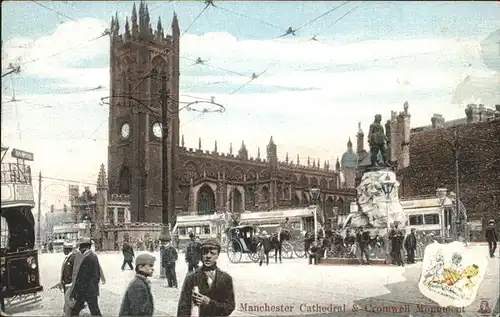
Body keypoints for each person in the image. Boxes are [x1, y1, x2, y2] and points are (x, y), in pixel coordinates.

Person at [177, 238, 235, 317]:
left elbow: (230, 307)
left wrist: (209, 302)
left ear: (217, 255)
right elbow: (183, 309)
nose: (208, 256)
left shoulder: (226, 278)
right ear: (201, 255)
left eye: (212, 253)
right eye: (205, 253)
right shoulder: (191, 278)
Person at [64, 237, 104, 316]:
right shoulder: (93, 256)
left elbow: (81, 277)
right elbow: (97, 274)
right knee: (92, 310)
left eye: (81, 247)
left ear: (85, 247)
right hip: (90, 290)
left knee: (79, 311)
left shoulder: (87, 258)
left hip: (85, 291)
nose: (80, 249)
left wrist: (75, 291)